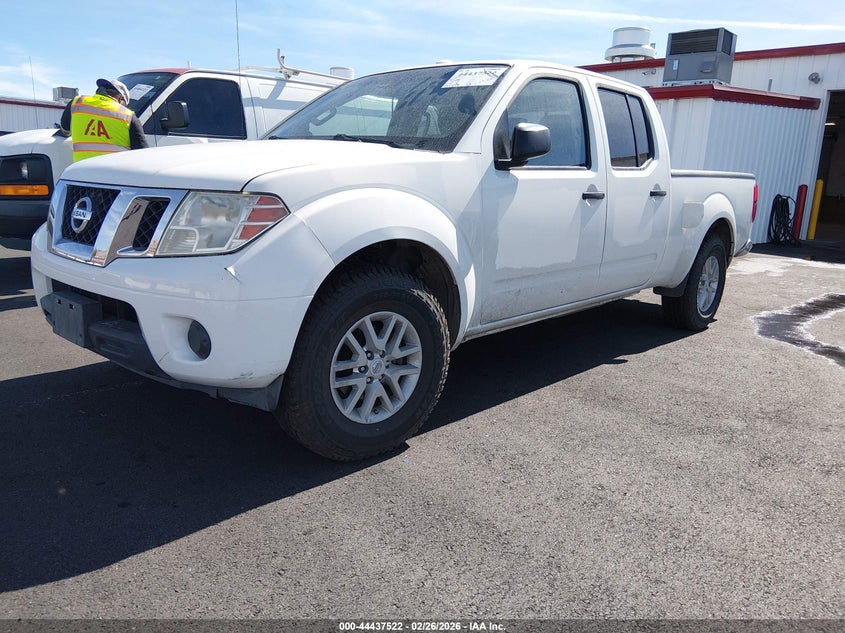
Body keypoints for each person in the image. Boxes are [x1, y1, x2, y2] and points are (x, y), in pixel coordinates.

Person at [60, 78, 148, 162]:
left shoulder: (76, 102)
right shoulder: (128, 116)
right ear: (121, 99)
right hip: (113, 174)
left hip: (80, 173)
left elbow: (65, 130)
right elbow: (142, 154)